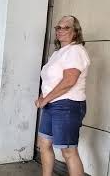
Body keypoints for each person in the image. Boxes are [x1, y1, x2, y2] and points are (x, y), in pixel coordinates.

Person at [35, 15, 90, 176]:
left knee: (68, 151)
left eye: (66, 27)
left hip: (67, 105)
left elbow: (69, 81)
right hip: (52, 104)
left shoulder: (76, 51)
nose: (60, 30)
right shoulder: (58, 53)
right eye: (58, 27)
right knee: (44, 144)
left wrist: (45, 99)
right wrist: (42, 96)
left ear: (75, 32)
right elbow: (50, 80)